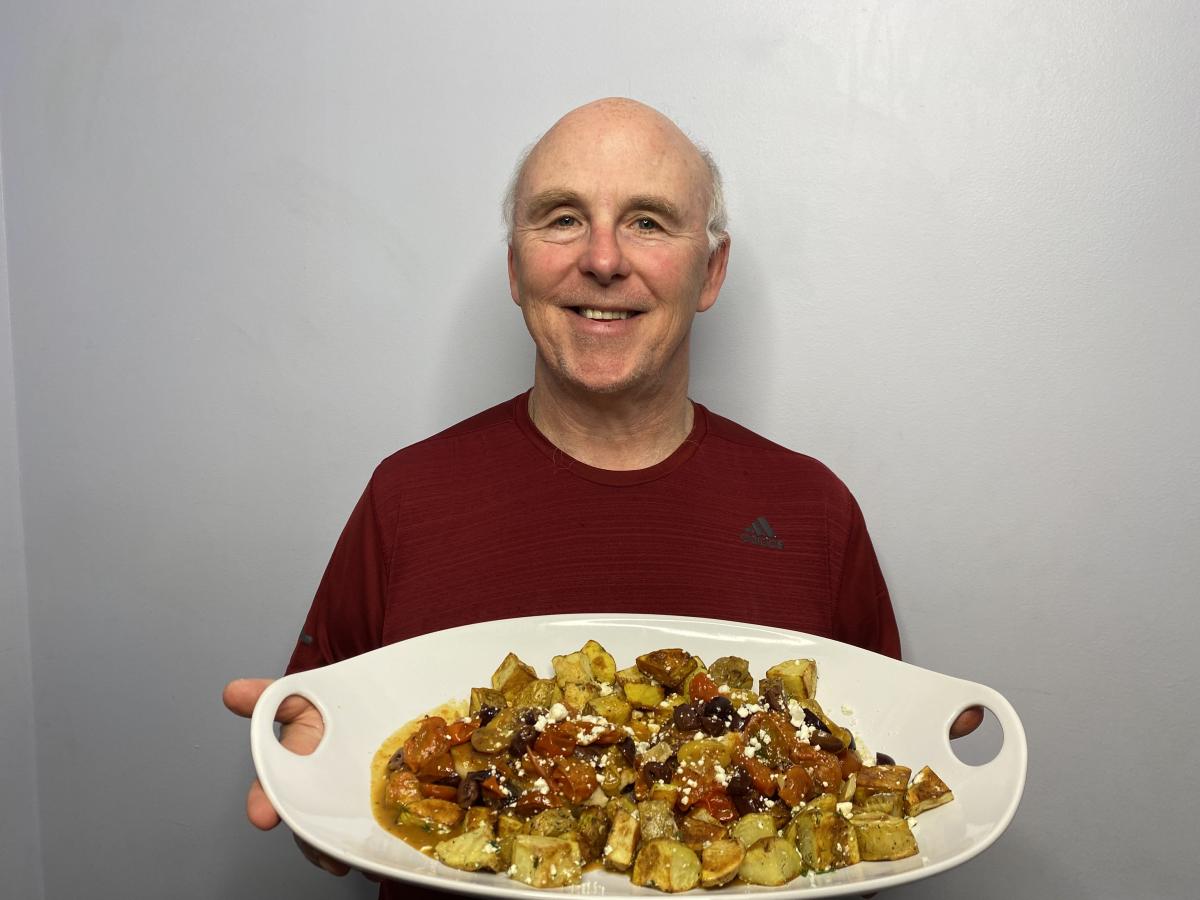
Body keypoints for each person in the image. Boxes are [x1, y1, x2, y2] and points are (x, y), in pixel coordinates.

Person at [223, 98, 982, 894]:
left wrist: (923, 752)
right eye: (561, 219)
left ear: (711, 271)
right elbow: (330, 739)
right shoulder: (406, 498)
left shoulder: (812, 511)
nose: (605, 259)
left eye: (649, 222)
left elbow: (870, 755)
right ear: (515, 268)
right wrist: (319, 789)